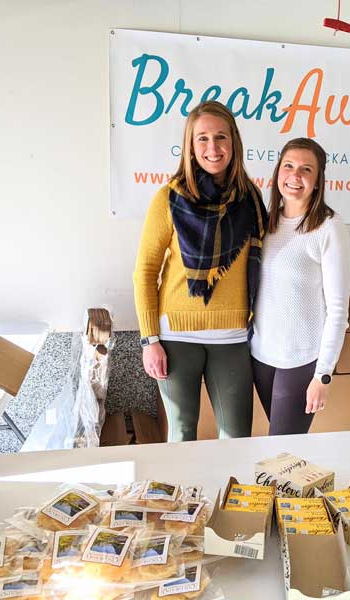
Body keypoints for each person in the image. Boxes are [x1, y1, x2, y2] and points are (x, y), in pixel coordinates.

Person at [133, 101, 267, 442]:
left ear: (234, 142)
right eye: (202, 138)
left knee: (236, 437)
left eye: (221, 137)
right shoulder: (169, 198)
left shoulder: (251, 199)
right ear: (190, 146)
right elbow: (145, 272)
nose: (212, 147)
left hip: (233, 337)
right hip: (176, 337)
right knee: (181, 435)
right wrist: (150, 340)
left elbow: (269, 264)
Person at [250, 137, 350, 435]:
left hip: (301, 360)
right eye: (289, 166)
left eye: (306, 169)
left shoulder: (328, 228)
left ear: (318, 181)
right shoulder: (265, 223)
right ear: (277, 172)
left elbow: (338, 311)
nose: (295, 176)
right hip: (261, 355)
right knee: (283, 447)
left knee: (281, 447)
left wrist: (323, 375)